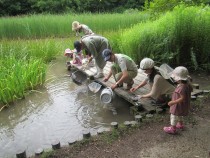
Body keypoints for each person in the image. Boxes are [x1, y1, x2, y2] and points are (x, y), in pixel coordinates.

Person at [163, 66, 193, 134]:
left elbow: (182, 98)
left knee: (173, 115)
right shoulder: (187, 84)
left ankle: (172, 128)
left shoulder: (182, 87)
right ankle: (180, 125)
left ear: (179, 79)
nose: (174, 79)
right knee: (179, 115)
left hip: (178, 105)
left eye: (175, 78)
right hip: (183, 105)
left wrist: (173, 102)